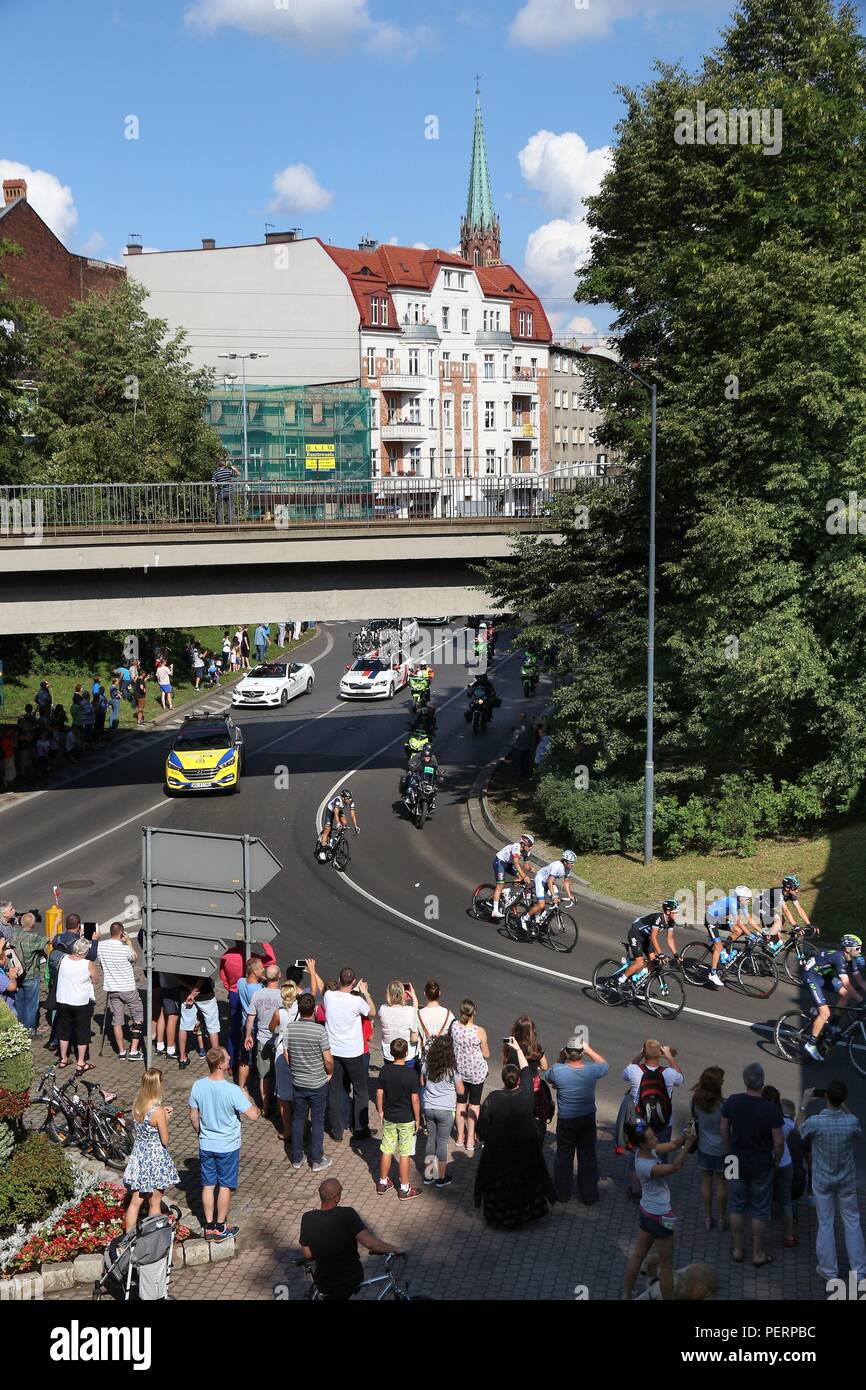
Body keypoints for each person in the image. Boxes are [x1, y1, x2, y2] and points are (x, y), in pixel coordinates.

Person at [473, 1036, 556, 1229]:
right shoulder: (527, 1095)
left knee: (500, 1185)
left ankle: (499, 1218)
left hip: (499, 1150)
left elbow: (483, 1123)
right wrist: (518, 1050)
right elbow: (527, 1070)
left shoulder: (494, 1098)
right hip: (523, 1149)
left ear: (503, 1079)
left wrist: (484, 1137)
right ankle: (523, 1216)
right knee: (523, 1182)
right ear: (518, 1080)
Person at [797, 1079, 866, 1283]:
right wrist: (842, 1104)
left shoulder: (817, 1122)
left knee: (826, 1223)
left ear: (826, 1097)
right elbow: (857, 1129)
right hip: (846, 1180)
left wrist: (804, 1104)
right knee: (852, 1222)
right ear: (843, 1099)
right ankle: (859, 1272)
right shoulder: (851, 1121)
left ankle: (829, 1270)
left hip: (822, 1179)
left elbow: (798, 1130)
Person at [189, 1046, 259, 1241]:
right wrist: (247, 1098)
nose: (230, 1060)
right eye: (227, 1059)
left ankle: (209, 1226)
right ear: (220, 1065)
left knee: (208, 1185)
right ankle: (220, 1227)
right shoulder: (233, 1091)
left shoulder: (198, 1086)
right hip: (227, 1146)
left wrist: (201, 1133)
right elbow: (253, 1115)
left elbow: (193, 1116)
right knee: (225, 1186)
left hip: (206, 1144)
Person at [622, 1116, 695, 1301]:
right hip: (661, 1216)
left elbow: (671, 1146)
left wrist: (686, 1135)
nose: (656, 1139)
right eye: (652, 1138)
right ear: (642, 1143)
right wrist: (689, 1146)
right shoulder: (647, 1166)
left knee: (638, 1255)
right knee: (667, 1265)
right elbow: (676, 1167)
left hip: (646, 1213)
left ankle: (625, 1294)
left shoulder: (644, 1151)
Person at [720, 1061, 784, 1268]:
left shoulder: (732, 1101)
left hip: (734, 1159)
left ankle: (737, 1250)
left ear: (745, 1080)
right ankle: (757, 1253)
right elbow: (778, 1142)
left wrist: (729, 1149)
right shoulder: (770, 1109)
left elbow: (723, 1130)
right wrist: (776, 1160)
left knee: (736, 1203)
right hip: (761, 1162)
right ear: (762, 1082)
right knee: (760, 1208)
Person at [299, 1177, 403, 1300]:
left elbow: (307, 1254)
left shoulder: (307, 1218)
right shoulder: (347, 1214)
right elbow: (370, 1243)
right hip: (349, 1277)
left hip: (324, 1280)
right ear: (337, 1197)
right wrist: (396, 1249)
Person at [546, 1031, 609, 1204]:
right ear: (581, 1053)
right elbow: (605, 1064)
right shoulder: (592, 1070)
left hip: (566, 1120)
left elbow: (548, 1075)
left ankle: (562, 1194)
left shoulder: (559, 1070)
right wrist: (589, 1050)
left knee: (564, 1156)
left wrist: (560, 1058)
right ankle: (588, 1196)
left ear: (567, 1052)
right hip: (587, 1118)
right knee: (587, 1156)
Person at [123, 1068, 180, 1233]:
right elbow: (165, 1139)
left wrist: (162, 1115)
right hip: (154, 1159)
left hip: (139, 1156)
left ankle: (128, 1239)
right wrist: (165, 1118)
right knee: (155, 1202)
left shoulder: (137, 1104)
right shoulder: (158, 1111)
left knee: (136, 1201)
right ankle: (151, 1237)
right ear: (157, 1085)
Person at [324, 969, 376, 1143]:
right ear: (353, 982)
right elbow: (372, 1012)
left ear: (339, 979)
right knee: (361, 1090)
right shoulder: (356, 1001)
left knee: (336, 1090)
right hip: (353, 1053)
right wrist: (365, 992)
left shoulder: (329, 997)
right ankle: (360, 1129)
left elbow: (322, 989)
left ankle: (337, 1130)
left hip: (333, 1052)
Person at [284, 992, 334, 1173]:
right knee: (318, 1120)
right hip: (317, 1083)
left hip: (298, 1081)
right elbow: (328, 1060)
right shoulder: (320, 1031)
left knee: (298, 1119)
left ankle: (297, 1158)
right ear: (314, 1010)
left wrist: (296, 1068)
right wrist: (330, 1072)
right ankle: (317, 1159)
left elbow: (286, 1054)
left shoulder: (290, 1028)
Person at [802, 935, 866, 1061]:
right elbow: (847, 984)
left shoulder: (851, 959)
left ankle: (833, 1024)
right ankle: (811, 1043)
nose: (860, 951)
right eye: (857, 948)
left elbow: (861, 982)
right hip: (811, 976)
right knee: (825, 1013)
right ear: (848, 949)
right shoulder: (839, 957)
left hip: (822, 975)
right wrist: (862, 1001)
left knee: (846, 995)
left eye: (860, 948)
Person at [375, 1037, 422, 1200]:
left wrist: (380, 1111)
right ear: (407, 1053)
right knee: (405, 1152)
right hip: (406, 1118)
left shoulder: (385, 1071)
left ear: (391, 1053)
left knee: (387, 1149)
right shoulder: (411, 1074)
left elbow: (379, 1093)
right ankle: (404, 1188)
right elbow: (415, 1099)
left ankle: (382, 1182)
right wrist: (417, 1119)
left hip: (389, 1116)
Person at [421, 1034, 464, 1188]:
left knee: (431, 1139)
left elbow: (422, 1082)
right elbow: (460, 1091)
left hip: (429, 1107)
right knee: (442, 1143)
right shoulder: (452, 1069)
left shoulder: (427, 1065)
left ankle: (428, 1175)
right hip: (445, 1110)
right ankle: (441, 1177)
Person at [97, 921, 143, 1060]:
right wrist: (128, 942)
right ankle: (134, 1051)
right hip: (128, 988)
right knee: (138, 1018)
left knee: (117, 1020)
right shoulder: (125, 948)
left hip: (112, 989)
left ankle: (122, 1051)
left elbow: (99, 960)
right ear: (122, 933)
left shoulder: (101, 946)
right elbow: (135, 957)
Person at [243, 963, 283, 1116]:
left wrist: (248, 1035)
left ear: (266, 977)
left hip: (262, 1040)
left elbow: (250, 1019)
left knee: (264, 1075)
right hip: (279, 1041)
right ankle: (280, 1108)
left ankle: (265, 1107)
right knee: (280, 1075)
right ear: (279, 976)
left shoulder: (257, 995)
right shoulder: (282, 996)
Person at [691, 1066, 727, 1231]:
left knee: (706, 1181)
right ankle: (721, 1217)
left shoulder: (696, 1100)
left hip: (704, 1148)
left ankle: (707, 1217)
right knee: (722, 1183)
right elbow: (725, 1130)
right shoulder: (722, 1105)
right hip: (723, 1150)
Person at [451, 998, 489, 1156]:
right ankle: (471, 1139)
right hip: (475, 1074)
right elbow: (486, 1054)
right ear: (474, 1012)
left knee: (460, 1104)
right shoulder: (479, 1031)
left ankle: (459, 1137)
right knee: (474, 1105)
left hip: (459, 1071)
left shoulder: (454, 1026)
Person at [56, 938, 99, 1074]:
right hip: (80, 1002)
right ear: (86, 951)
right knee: (82, 1031)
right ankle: (81, 1063)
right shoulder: (88, 963)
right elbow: (96, 979)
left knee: (63, 1030)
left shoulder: (64, 958)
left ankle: (63, 1058)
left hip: (63, 1000)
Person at [703, 885, 759, 989]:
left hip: (719, 918)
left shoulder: (741, 902)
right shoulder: (733, 902)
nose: (749, 901)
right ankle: (713, 973)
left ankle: (722, 949)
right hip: (710, 918)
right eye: (748, 899)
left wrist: (762, 931)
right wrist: (750, 935)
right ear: (740, 898)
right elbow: (739, 921)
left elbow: (749, 919)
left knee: (738, 931)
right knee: (718, 948)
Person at [619, 899, 680, 992]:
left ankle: (639, 980)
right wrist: (661, 954)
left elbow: (670, 938)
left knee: (654, 961)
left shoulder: (671, 921)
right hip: (636, 933)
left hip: (646, 937)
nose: (677, 914)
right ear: (668, 912)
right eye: (675, 912)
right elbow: (654, 937)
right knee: (639, 962)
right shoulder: (658, 918)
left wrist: (676, 954)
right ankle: (620, 981)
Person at [762, 1084, 795, 1247]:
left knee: (763, 1201)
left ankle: (759, 1237)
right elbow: (796, 1131)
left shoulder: (760, 1118)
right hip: (785, 1164)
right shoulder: (786, 1122)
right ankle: (788, 1236)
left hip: (766, 1164)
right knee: (786, 1201)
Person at [519, 849, 577, 938]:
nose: (573, 865)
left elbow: (566, 882)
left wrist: (570, 896)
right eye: (571, 863)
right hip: (541, 880)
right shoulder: (557, 866)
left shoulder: (568, 869)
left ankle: (543, 922)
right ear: (565, 862)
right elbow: (550, 881)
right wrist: (553, 896)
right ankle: (524, 918)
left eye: (573, 863)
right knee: (541, 904)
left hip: (547, 882)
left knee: (557, 901)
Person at [4, 910, 45, 1035]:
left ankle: (20, 1028)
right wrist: (56, 924)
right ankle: (30, 1031)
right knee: (31, 1005)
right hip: (31, 976)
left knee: (19, 1003)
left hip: (17, 974)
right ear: (33, 925)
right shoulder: (34, 937)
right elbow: (50, 940)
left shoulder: (14, 935)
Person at [270, 977, 301, 1139]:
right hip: (299, 1052)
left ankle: (288, 1130)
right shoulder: (301, 1009)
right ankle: (301, 1129)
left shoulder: (279, 1013)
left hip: (282, 1053)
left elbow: (271, 1028)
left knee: (283, 1095)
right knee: (300, 1093)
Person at [753, 874, 812, 953]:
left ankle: (766, 951)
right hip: (758, 906)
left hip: (768, 908)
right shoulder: (778, 893)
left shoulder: (791, 894)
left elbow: (799, 909)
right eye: (795, 888)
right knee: (778, 920)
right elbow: (786, 910)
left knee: (780, 925)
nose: (797, 891)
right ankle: (763, 935)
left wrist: (808, 924)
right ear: (787, 888)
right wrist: (795, 926)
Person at [177, 972, 221, 1070]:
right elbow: (203, 974)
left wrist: (190, 989)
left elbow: (175, 976)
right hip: (205, 993)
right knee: (213, 1027)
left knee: (184, 1025)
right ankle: (217, 1060)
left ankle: (182, 1058)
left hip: (185, 992)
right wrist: (195, 990)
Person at [489, 834, 534, 920]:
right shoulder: (516, 846)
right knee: (500, 885)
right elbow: (516, 863)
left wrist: (530, 868)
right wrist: (525, 876)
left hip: (508, 864)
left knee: (521, 879)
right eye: (530, 846)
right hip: (500, 862)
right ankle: (495, 911)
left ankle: (508, 890)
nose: (531, 848)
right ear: (524, 844)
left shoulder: (527, 851)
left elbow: (526, 864)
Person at [235, 956, 264, 1089]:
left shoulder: (241, 982)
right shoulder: (258, 991)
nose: (264, 969)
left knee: (245, 1059)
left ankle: (242, 1086)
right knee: (249, 1060)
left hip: (244, 1024)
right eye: (261, 968)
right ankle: (244, 1087)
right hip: (255, 1028)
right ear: (254, 972)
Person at [378, 981, 419, 1064]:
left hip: (389, 1053)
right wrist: (414, 997)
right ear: (403, 994)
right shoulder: (410, 1011)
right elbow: (414, 1039)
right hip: (406, 1055)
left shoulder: (382, 1009)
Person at [416, 980, 454, 1061]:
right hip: (442, 1056)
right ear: (439, 993)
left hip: (425, 1057)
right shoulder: (448, 1014)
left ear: (425, 994)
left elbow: (414, 1037)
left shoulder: (419, 1014)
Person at [319, 786, 359, 854]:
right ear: (343, 798)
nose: (349, 800)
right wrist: (337, 823)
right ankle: (322, 851)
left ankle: (335, 838)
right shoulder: (338, 800)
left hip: (339, 810)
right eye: (347, 798)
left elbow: (353, 815)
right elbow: (336, 813)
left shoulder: (351, 802)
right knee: (327, 829)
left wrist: (356, 826)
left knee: (344, 822)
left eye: (350, 798)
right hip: (331, 810)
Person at [213, 455, 240, 526]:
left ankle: (221, 524)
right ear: (224, 465)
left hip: (221, 492)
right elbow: (238, 474)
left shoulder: (216, 473)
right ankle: (230, 523)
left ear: (218, 465)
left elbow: (213, 484)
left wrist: (218, 485)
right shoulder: (228, 471)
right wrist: (234, 468)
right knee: (230, 508)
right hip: (229, 492)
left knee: (220, 508)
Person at [510, 712, 533, 778]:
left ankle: (519, 774)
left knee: (518, 761)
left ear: (520, 717)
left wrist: (513, 742)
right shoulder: (529, 724)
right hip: (527, 746)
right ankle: (525, 774)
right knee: (526, 761)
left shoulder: (518, 724)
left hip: (519, 747)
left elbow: (516, 736)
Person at [0, 940, 19, 1013]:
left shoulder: (1, 968)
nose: (6, 957)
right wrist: (12, 976)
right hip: (7, 1010)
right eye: (4, 956)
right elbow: (12, 987)